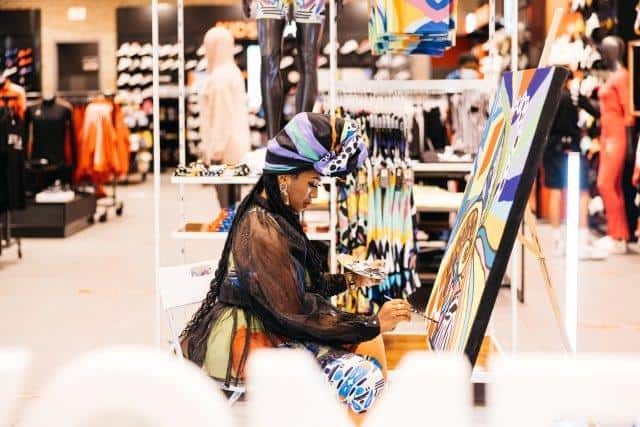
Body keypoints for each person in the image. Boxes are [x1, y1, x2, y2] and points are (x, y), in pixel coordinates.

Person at [180, 112, 412, 423]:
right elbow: (293, 315)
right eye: (312, 184)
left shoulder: (276, 215)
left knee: (370, 343)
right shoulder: (262, 230)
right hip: (250, 339)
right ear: (285, 179)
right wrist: (371, 323)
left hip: (272, 325)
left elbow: (302, 287)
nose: (314, 195)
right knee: (364, 375)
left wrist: (350, 280)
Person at [543, 74, 606, 260]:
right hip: (572, 146)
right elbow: (596, 113)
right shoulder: (572, 96)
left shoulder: (548, 96)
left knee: (555, 192)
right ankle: (582, 240)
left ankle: (558, 241)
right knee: (582, 192)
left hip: (551, 148)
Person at [198, 27, 251, 208]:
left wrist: (215, 150)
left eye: (208, 46)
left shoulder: (220, 77)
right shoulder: (233, 72)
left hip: (224, 149)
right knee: (233, 203)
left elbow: (222, 115)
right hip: (236, 146)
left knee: (226, 205)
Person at [594, 36, 634, 254]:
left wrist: (630, 146)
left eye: (605, 50)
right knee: (613, 186)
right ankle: (618, 234)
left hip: (616, 136)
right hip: (607, 134)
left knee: (605, 184)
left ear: (613, 52)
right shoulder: (615, 76)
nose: (603, 54)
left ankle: (617, 235)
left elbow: (629, 113)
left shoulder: (622, 76)